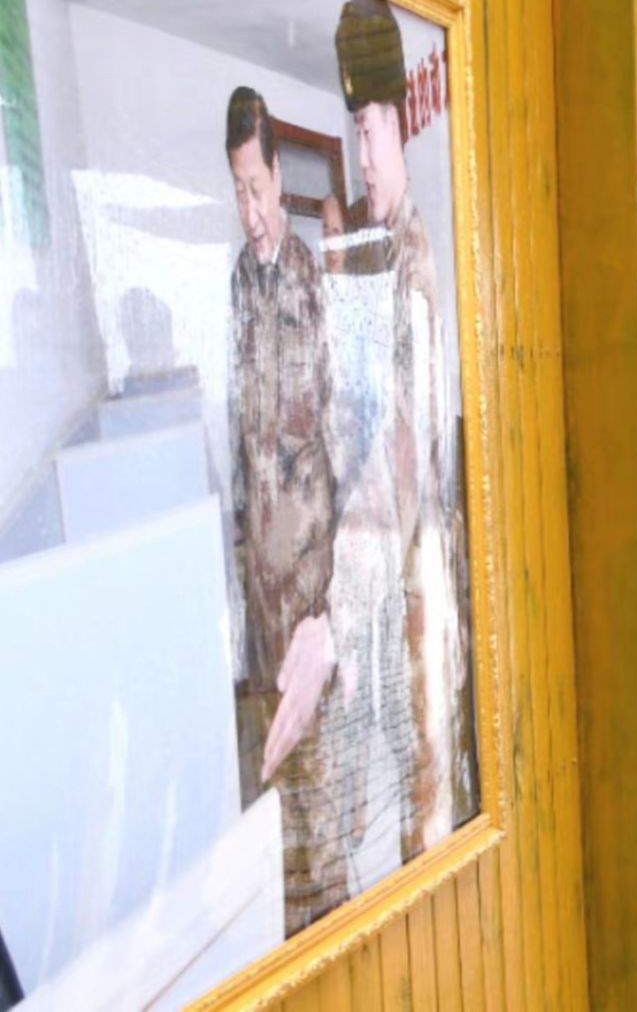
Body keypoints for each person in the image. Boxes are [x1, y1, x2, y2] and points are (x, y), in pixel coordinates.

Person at [336, 0, 474, 859]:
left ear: (397, 127)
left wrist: (344, 603)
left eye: (369, 134)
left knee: (428, 795)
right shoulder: (384, 254)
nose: (362, 159)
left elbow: (404, 445)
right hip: (403, 577)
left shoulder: (413, 260)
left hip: (418, 579)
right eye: (354, 138)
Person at [223, 86, 346, 932]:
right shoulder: (239, 284)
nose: (251, 210)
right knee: (278, 781)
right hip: (263, 597)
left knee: (322, 782)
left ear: (278, 172)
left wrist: (334, 610)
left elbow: (345, 441)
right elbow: (243, 446)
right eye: (237, 191)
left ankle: (336, 924)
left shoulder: (314, 282)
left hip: (310, 594)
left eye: (258, 189)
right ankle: (298, 926)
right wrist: (240, 580)